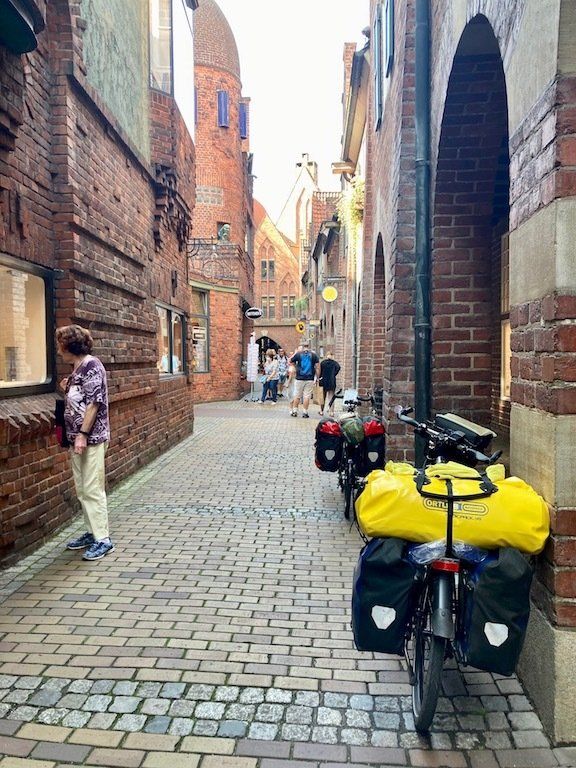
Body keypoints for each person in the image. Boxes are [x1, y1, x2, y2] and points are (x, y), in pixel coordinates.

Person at [56, 324, 114, 561]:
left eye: (60, 345)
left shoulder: (92, 366)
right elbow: (79, 400)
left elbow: (94, 403)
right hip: (76, 439)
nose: (58, 350)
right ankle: (92, 533)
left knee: (92, 489)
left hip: (91, 438)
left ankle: (103, 540)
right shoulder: (77, 369)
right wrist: (67, 389)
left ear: (70, 345)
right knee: (82, 489)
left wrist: (82, 434)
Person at [290, 340, 320, 418]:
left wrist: (295, 367)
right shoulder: (314, 355)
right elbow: (317, 367)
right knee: (307, 396)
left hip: (299, 378)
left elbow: (290, 361)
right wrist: (317, 378)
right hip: (310, 378)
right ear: (308, 346)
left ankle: (295, 411)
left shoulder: (298, 354)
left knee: (297, 395)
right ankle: (305, 412)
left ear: (302, 347)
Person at [319, 351, 341, 417]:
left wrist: (320, 376)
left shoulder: (323, 363)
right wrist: (334, 374)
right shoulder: (335, 363)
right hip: (331, 381)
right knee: (331, 396)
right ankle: (331, 412)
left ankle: (321, 411)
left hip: (324, 381)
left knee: (322, 397)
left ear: (326, 355)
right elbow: (338, 368)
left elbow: (320, 371)